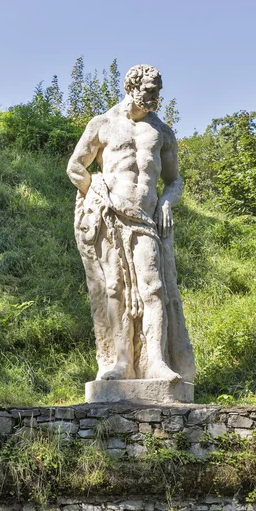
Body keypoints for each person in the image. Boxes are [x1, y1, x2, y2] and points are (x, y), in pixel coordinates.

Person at [67, 65, 194, 384]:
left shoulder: (162, 132)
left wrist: (166, 201)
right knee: (114, 290)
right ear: (132, 87)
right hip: (111, 217)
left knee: (153, 288)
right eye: (151, 91)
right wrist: (94, 192)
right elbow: (74, 167)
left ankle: (155, 361)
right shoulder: (103, 124)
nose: (156, 97)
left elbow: (174, 180)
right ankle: (120, 362)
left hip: (146, 221)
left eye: (158, 91)